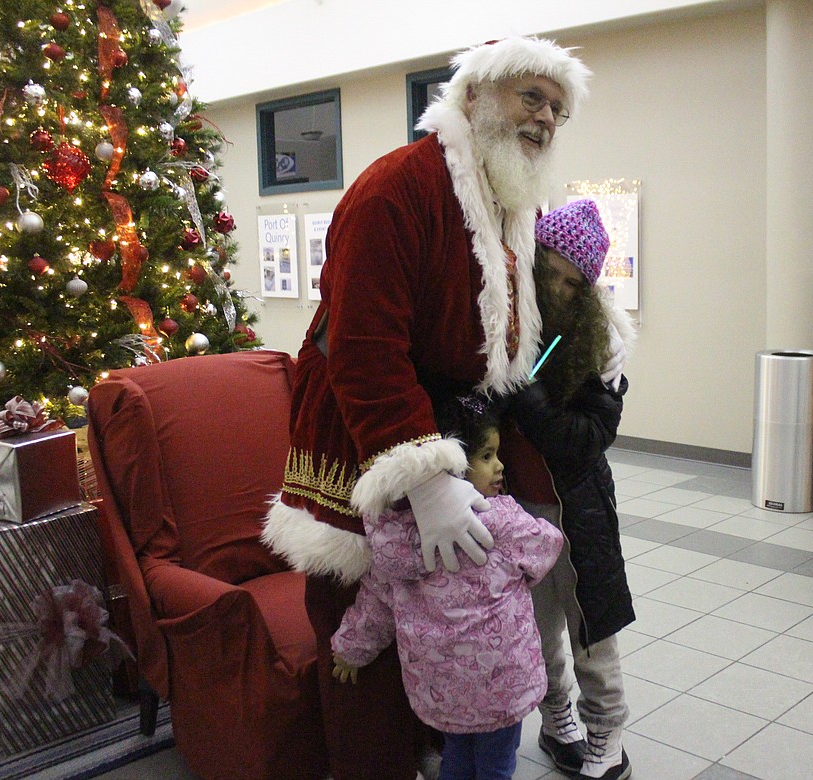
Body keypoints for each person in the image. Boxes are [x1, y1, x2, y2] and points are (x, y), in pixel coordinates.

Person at [259, 37, 614, 780]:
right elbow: (362, 346)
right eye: (531, 97)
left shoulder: (511, 202)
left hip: (458, 450)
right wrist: (422, 474)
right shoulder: (397, 186)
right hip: (363, 451)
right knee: (363, 651)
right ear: (477, 97)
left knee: (440, 649)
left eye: (557, 107)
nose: (546, 117)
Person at [330, 395, 563, 780]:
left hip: (441, 690)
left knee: (456, 755)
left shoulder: (391, 535)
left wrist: (350, 650)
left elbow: (375, 603)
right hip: (500, 682)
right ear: (449, 469)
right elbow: (546, 547)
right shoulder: (500, 519)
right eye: (487, 456)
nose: (499, 465)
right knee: (496, 765)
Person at [505, 199, 637, 780]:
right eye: (549, 270)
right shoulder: (509, 320)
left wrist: (527, 395)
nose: (558, 287)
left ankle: (606, 736)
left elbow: (580, 440)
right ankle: (557, 720)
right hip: (515, 510)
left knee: (591, 629)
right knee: (535, 630)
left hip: (576, 510)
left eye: (572, 281)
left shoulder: (599, 347)